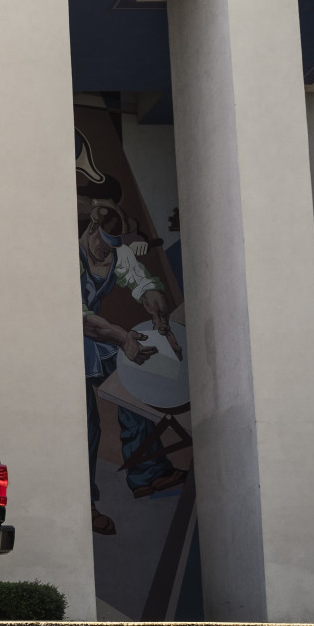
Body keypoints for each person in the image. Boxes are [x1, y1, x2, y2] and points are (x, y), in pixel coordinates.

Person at [79, 197, 187, 535]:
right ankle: (83, 506)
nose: (108, 252)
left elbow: (144, 284)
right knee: (86, 425)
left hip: (96, 338)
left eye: (115, 247)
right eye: (105, 244)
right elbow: (80, 317)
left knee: (132, 384)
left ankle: (148, 474)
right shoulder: (68, 255)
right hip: (64, 342)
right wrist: (123, 337)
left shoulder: (116, 252)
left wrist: (158, 312)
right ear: (93, 228)